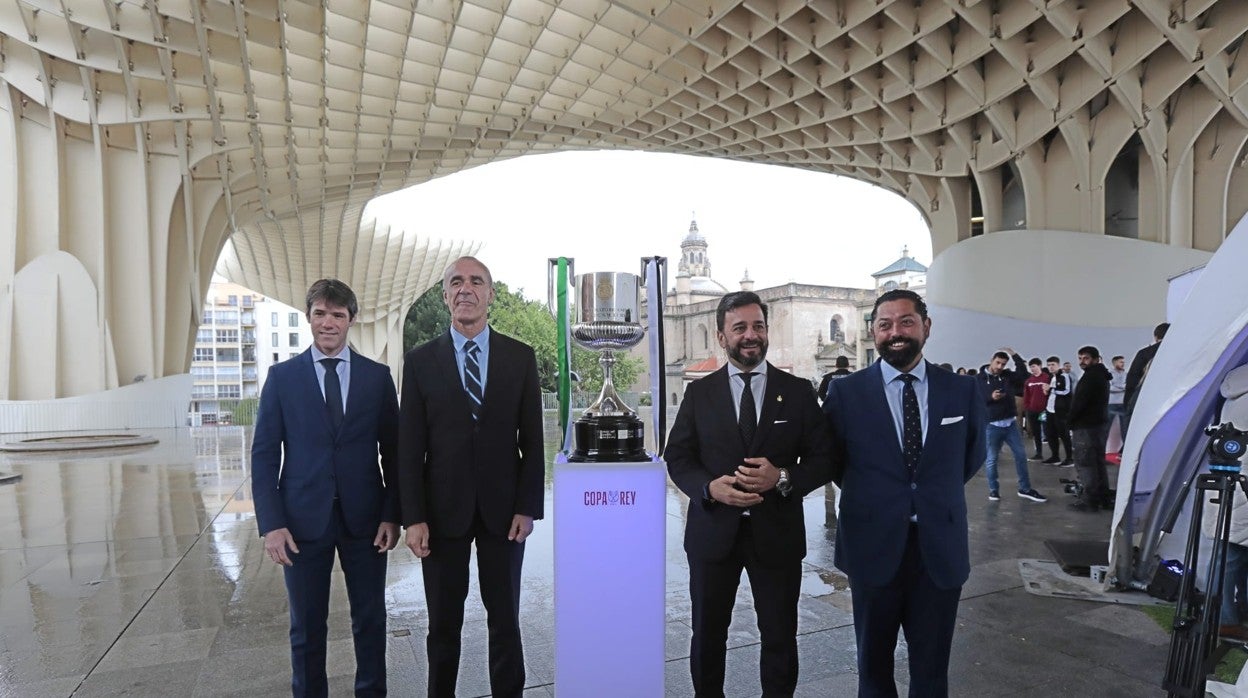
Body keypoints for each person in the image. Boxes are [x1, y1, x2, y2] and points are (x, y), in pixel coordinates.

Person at [666, 291, 832, 696]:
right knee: (707, 634)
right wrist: (708, 488)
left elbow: (824, 458)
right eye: (739, 327)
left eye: (757, 326)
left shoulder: (796, 391)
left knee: (778, 635)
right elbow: (678, 457)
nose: (750, 335)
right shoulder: (699, 394)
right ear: (722, 337)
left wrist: (783, 477)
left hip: (776, 535)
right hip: (712, 535)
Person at [823, 289, 986, 696]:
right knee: (873, 669)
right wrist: (883, 496)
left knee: (932, 671)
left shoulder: (961, 391)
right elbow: (836, 462)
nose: (896, 332)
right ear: (874, 332)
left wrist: (926, 495)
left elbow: (971, 456)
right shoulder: (846, 393)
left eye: (906, 322)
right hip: (872, 545)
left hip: (938, 550)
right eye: (885, 324)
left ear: (926, 327)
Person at [398, 256, 545, 697]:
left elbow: (533, 442)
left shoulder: (520, 358)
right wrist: (413, 518)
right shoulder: (421, 361)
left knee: (505, 621)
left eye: (475, 281)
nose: (466, 288)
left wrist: (527, 507)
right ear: (445, 296)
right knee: (443, 625)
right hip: (441, 516)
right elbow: (409, 449)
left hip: (504, 515)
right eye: (456, 282)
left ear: (490, 295)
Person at [251, 279, 400, 697]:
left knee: (370, 620)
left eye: (337, 315)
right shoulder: (282, 379)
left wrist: (392, 513)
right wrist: (272, 525)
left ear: (351, 319)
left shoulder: (377, 378)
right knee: (307, 627)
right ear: (309, 317)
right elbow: (264, 456)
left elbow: (395, 454)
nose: (328, 323)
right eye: (320, 313)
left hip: (367, 521)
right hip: (300, 523)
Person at [977, 349, 1046, 503]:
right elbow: (976, 400)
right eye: (998, 363)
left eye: (1003, 364)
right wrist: (991, 397)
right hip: (992, 425)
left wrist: (1015, 355)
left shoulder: (1007, 375)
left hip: (1010, 423)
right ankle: (993, 490)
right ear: (991, 360)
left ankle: (1025, 488)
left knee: (1021, 455)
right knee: (991, 459)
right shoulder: (978, 379)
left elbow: (1023, 374)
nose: (1000, 366)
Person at [1067, 346, 1112, 512]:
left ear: (1095, 359)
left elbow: (1079, 403)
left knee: (1085, 463)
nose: (1081, 362)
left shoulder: (1091, 378)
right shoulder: (1101, 375)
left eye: (1085, 358)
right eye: (1079, 358)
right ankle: (1103, 497)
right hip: (1098, 426)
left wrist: (1069, 422)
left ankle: (1090, 500)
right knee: (1098, 463)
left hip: (1085, 427)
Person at [1123, 322, 1170, 441]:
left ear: (1155, 336)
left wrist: (1128, 402)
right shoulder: (1178, 353)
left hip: (1143, 397)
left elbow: (1132, 379)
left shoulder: (1145, 353)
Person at [1042, 356, 1074, 466]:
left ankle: (1069, 458)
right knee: (1050, 434)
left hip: (1061, 411)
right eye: (1049, 365)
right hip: (1049, 409)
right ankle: (1055, 456)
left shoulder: (1064, 376)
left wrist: (1051, 389)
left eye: (1053, 365)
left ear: (1058, 365)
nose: (1050, 367)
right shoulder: (1051, 377)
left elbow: (1066, 391)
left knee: (1064, 435)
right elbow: (1050, 393)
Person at [1022, 358, 1050, 460]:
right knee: (1036, 432)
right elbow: (1026, 395)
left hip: (1044, 410)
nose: (1032, 369)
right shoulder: (1029, 381)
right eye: (1031, 367)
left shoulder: (1047, 378)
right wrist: (1027, 407)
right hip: (1032, 410)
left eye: (1034, 366)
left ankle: (1054, 454)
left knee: (1047, 430)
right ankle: (1038, 453)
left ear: (1040, 366)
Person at [1107, 355, 1128, 445]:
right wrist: (1122, 388)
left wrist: (1118, 387)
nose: (1123, 364)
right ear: (1115, 363)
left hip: (1123, 403)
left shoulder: (1126, 374)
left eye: (1123, 362)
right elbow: (1109, 387)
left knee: (1125, 428)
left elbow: (1127, 386)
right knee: (1106, 427)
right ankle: (1101, 450)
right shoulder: (1109, 373)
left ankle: (1125, 450)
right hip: (1111, 403)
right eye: (1121, 362)